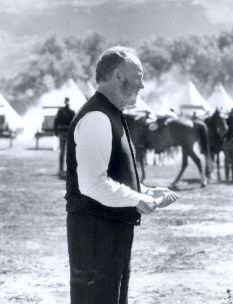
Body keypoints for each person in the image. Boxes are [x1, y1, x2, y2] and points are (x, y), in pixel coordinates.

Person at [65, 46, 179, 304]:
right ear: (119, 75)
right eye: (138, 76)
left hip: (108, 234)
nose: (143, 84)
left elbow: (112, 176)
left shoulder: (110, 114)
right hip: (96, 237)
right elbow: (93, 184)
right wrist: (137, 200)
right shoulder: (97, 116)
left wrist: (145, 191)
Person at [54, 97, 76, 176]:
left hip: (62, 133)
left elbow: (56, 122)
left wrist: (56, 131)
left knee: (62, 152)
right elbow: (74, 123)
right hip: (68, 133)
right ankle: (66, 170)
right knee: (67, 152)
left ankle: (61, 169)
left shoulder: (60, 111)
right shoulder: (72, 112)